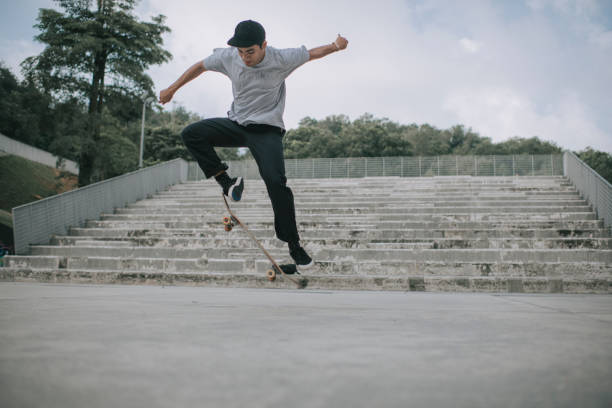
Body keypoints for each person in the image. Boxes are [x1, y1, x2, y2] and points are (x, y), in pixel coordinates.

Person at [159, 19, 348, 270]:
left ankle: (294, 246)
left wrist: (335, 45)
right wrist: (172, 88)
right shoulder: (229, 57)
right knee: (192, 133)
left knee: (276, 183)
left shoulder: (281, 58)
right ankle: (226, 183)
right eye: (241, 52)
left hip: (267, 132)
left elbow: (312, 54)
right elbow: (200, 66)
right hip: (237, 125)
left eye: (250, 52)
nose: (245, 58)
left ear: (264, 46)